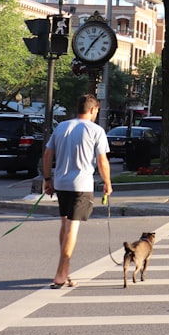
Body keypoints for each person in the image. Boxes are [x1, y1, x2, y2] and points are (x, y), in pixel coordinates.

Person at [41, 94, 112, 288]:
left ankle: (66, 269)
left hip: (62, 183)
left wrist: (47, 179)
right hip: (81, 185)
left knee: (64, 225)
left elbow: (47, 154)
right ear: (92, 110)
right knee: (72, 227)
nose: (96, 114)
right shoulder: (96, 130)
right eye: (96, 111)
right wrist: (107, 182)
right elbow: (102, 161)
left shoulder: (62, 127)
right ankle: (61, 272)